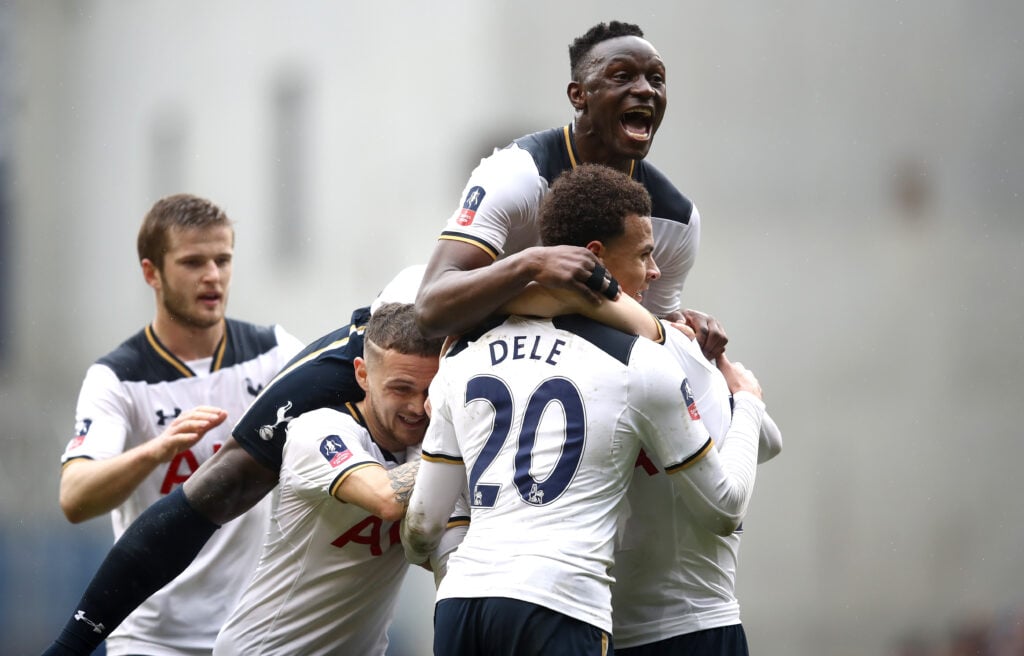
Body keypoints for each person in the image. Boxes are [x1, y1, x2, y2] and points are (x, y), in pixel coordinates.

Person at [401, 164, 768, 655]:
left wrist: (462, 572)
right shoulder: (645, 358)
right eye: (644, 255)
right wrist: (746, 400)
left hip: (461, 608)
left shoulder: (460, 358)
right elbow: (724, 506)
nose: (655, 272)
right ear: (595, 257)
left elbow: (422, 529)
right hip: (563, 604)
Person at [56, 194, 304, 656]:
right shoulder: (119, 378)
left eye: (222, 259)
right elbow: (75, 497)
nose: (212, 275)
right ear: (152, 273)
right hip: (151, 640)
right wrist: (156, 449)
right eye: (193, 262)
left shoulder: (274, 352)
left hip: (259, 633)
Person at [415, 20, 728, 359]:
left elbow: (654, 340)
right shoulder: (517, 175)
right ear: (578, 95)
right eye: (622, 76)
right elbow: (431, 311)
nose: (646, 90)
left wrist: (688, 333)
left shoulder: (676, 219)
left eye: (657, 79)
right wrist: (532, 263)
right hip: (475, 361)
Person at [212, 303, 444, 656]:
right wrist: (462, 451)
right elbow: (385, 497)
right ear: (363, 374)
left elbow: (430, 557)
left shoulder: (423, 449)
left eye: (430, 392)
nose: (416, 406)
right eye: (401, 389)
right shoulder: (318, 431)